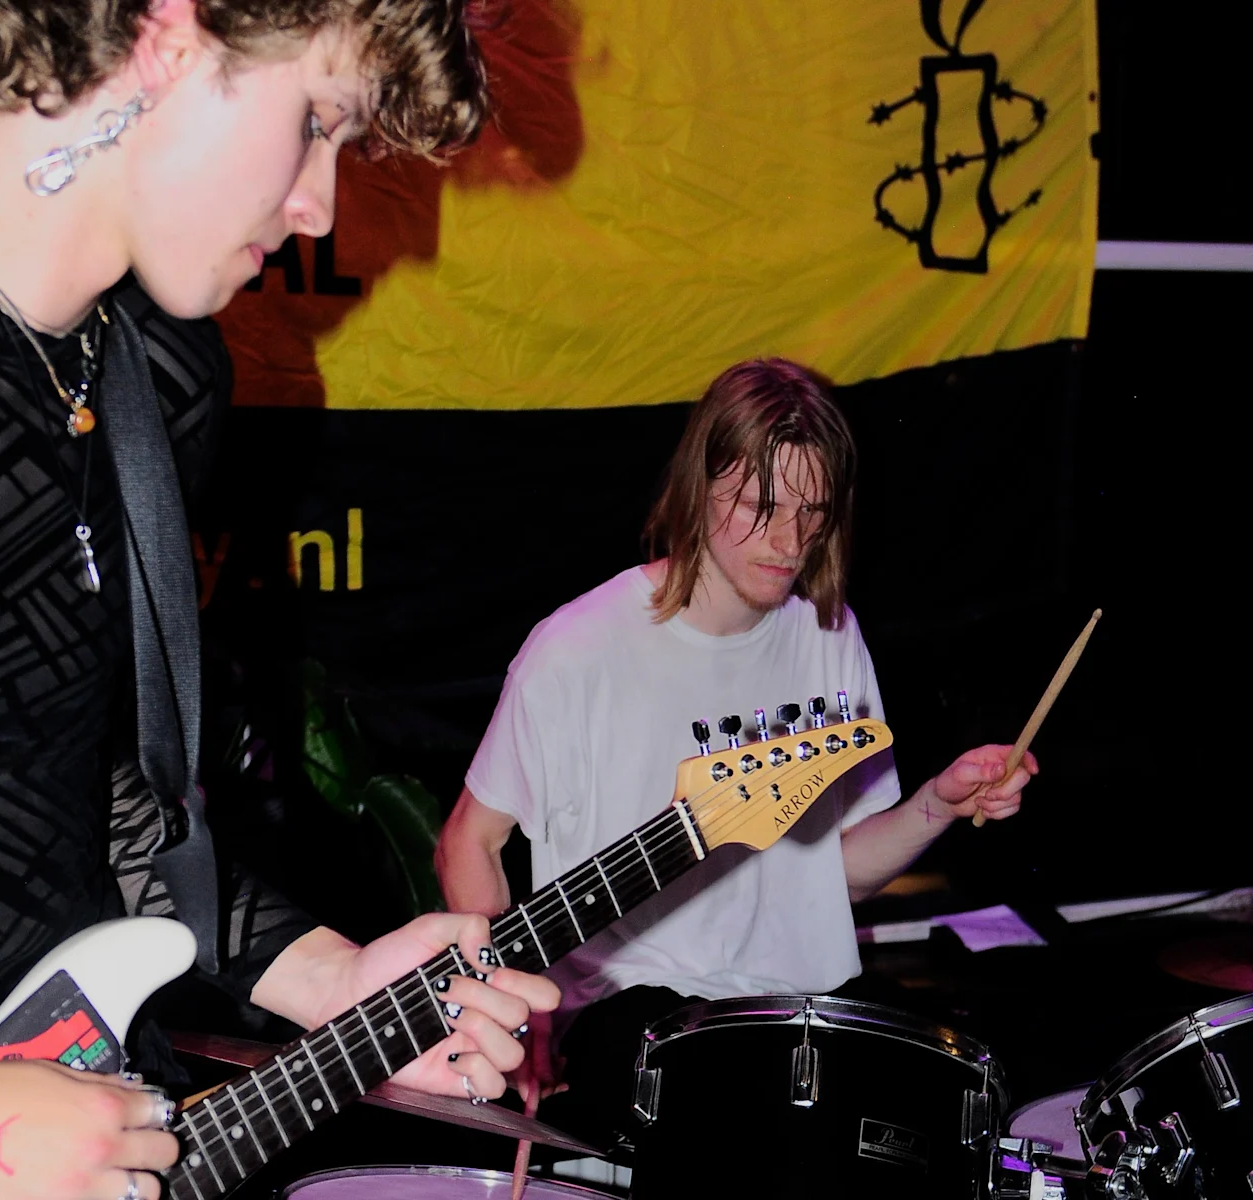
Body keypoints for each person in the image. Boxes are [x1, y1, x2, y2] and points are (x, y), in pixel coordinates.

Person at [0, 1, 558, 1197]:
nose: (320, 208)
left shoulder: (163, 381)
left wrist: (327, 977)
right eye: (316, 123)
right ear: (167, 37)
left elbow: (90, 795)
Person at [433, 357, 1035, 1148]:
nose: (791, 540)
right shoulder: (578, 648)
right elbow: (468, 843)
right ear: (699, 485)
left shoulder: (828, 634)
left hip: (802, 1010)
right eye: (762, 506)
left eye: (813, 512)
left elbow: (833, 875)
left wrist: (939, 804)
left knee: (962, 1113)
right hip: (634, 1013)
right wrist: (514, 1008)